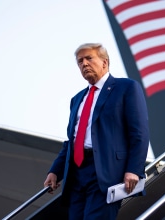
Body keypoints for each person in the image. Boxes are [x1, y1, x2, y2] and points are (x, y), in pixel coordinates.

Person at [43, 43, 150, 219]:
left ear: (104, 62)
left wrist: (134, 169)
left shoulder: (126, 88)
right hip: (76, 174)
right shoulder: (77, 99)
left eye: (89, 58)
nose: (84, 64)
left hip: (106, 172)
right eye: (80, 61)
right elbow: (73, 140)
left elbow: (139, 133)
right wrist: (55, 171)